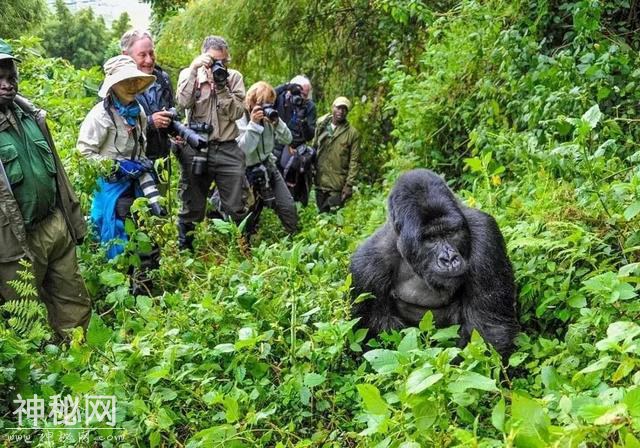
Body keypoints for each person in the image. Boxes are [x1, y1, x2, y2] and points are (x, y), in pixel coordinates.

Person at [0, 39, 90, 339]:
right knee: (25, 324)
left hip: (54, 225)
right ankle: (37, 380)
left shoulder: (30, 117)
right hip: (13, 239)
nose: (6, 85)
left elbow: (59, 176)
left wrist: (72, 221)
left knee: (73, 305)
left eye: (10, 77)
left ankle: (80, 367)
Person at [77, 55, 159, 265]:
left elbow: (141, 143)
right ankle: (121, 274)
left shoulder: (138, 111)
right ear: (113, 85)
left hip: (137, 181)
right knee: (115, 231)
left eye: (134, 80)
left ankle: (144, 273)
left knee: (145, 225)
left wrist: (142, 163)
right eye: (125, 81)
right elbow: (84, 153)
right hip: (111, 184)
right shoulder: (100, 116)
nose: (131, 86)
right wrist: (114, 166)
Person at [175, 36, 247, 250]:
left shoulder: (234, 78)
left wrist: (222, 86)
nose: (220, 65)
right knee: (191, 203)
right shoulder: (190, 75)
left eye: (224, 61)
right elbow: (182, 103)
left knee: (236, 205)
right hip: (198, 146)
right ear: (204, 56)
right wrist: (194, 69)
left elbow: (236, 112)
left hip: (227, 146)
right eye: (214, 61)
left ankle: (240, 247)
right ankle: (185, 249)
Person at [236, 81, 297, 236]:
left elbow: (288, 139)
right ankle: (244, 244)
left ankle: (294, 237)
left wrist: (277, 123)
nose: (267, 108)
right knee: (247, 213)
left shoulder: (270, 117)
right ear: (251, 101)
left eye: (270, 104)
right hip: (245, 171)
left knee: (287, 206)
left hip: (267, 165)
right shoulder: (240, 116)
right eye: (263, 104)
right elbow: (244, 150)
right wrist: (254, 124)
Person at [121, 29, 175, 164]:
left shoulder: (162, 78)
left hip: (162, 158)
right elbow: (114, 128)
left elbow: (172, 107)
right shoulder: (116, 85)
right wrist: (150, 122)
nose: (149, 60)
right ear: (126, 55)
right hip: (132, 162)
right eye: (142, 55)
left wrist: (173, 125)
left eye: (151, 53)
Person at [313, 96, 360, 213]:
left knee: (334, 219)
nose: (341, 111)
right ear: (333, 108)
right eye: (338, 108)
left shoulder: (352, 133)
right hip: (320, 182)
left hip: (337, 186)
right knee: (321, 216)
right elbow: (313, 148)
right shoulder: (321, 125)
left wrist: (349, 185)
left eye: (344, 109)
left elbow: (355, 161)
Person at [274, 76, 316, 205]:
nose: (302, 97)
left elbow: (309, 135)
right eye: (300, 93)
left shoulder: (308, 106)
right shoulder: (280, 98)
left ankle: (292, 207)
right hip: (274, 147)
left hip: (294, 153)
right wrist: (286, 86)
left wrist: (303, 121)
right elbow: (262, 98)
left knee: (292, 188)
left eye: (306, 95)